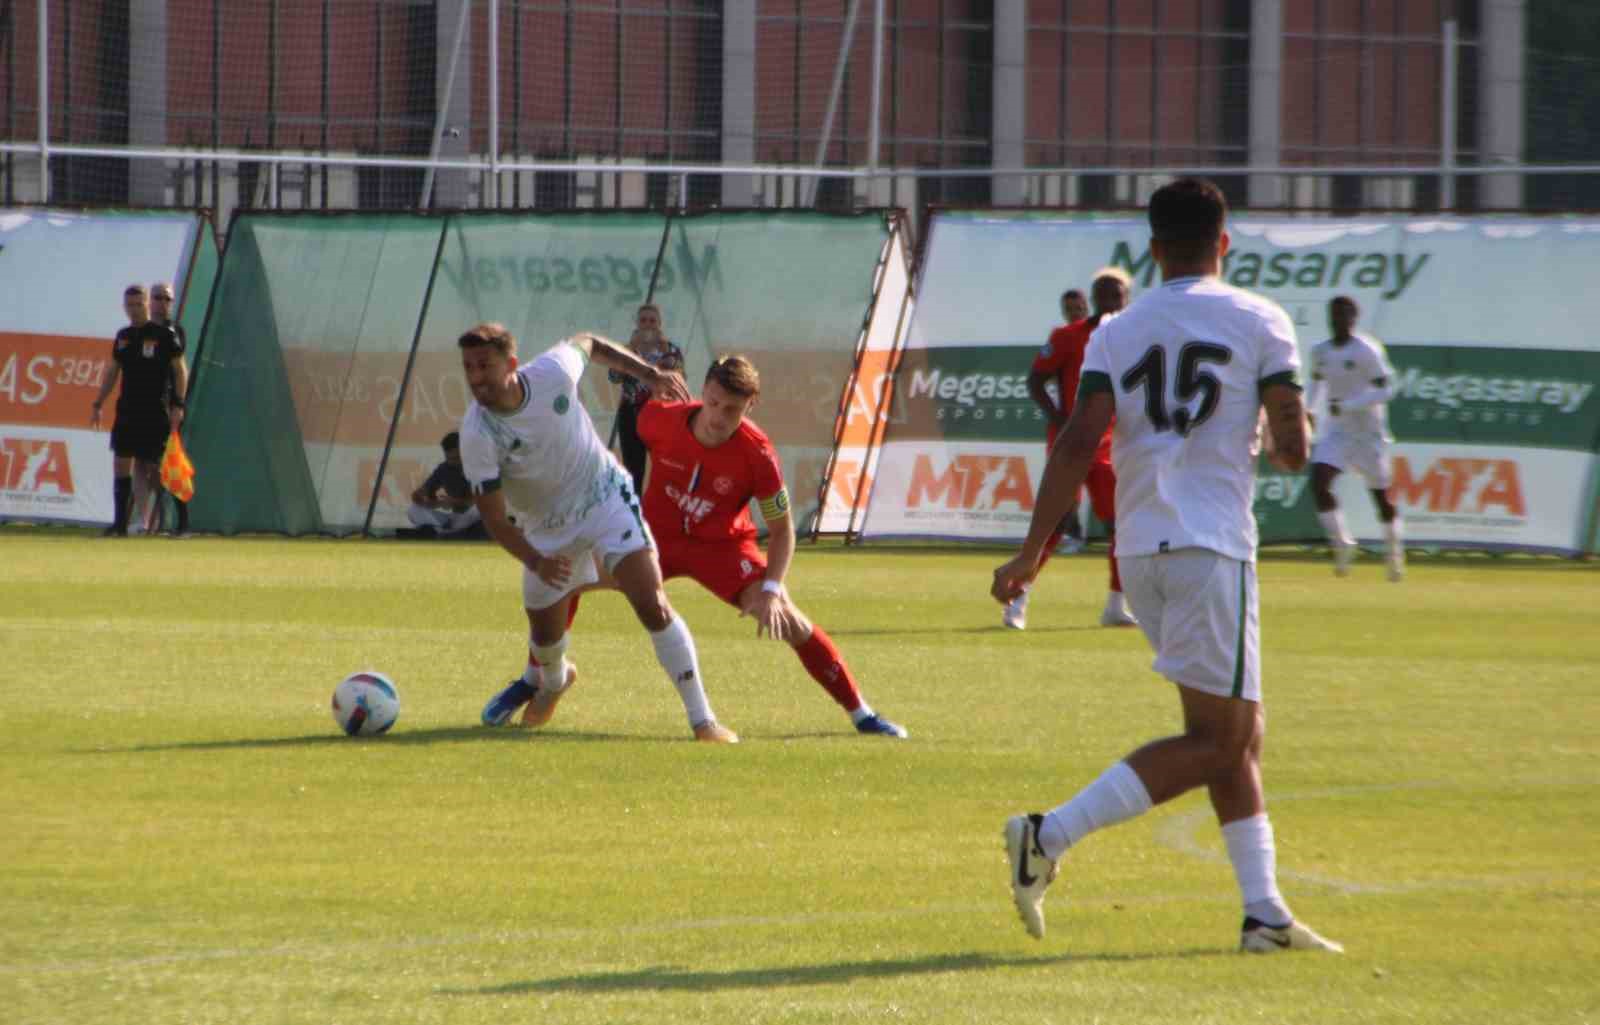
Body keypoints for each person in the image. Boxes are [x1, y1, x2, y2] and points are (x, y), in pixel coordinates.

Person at [992, 178, 1342, 955]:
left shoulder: (1118, 327)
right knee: (1222, 740)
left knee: (1237, 734)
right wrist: (1291, 432)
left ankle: (1265, 914)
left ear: (1151, 250)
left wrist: (1031, 550)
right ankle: (1047, 833)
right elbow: (1291, 443)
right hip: (1210, 544)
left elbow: (1079, 442)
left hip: (1140, 546)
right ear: (1226, 241)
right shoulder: (1260, 317)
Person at [457, 322, 737, 743]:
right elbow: (495, 518)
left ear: (512, 364)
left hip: (604, 498)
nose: (476, 377)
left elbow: (588, 342)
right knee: (546, 641)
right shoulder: (477, 433)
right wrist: (536, 559)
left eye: (485, 365)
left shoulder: (552, 371)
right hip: (545, 531)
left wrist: (648, 374)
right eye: (468, 367)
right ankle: (553, 681)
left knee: (651, 602)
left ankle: (704, 721)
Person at [634, 355, 907, 738]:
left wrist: (772, 590)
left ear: (750, 406)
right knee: (566, 575)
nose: (718, 416)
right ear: (703, 393)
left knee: (788, 620)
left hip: (721, 548)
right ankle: (537, 680)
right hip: (653, 539)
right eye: (712, 402)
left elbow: (782, 530)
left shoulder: (758, 454)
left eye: (732, 409)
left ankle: (862, 714)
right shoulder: (659, 418)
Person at [1012, 268, 1137, 630]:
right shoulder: (1069, 337)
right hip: (1073, 444)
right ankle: (1017, 598)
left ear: (1127, 298)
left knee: (1120, 526)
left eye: (1118, 296)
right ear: (1094, 299)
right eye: (1106, 296)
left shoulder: (1136, 336)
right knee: (1057, 522)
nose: (1112, 303)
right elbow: (1036, 380)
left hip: (1112, 448)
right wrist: (1059, 419)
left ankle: (1116, 604)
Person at [1306, 296, 1403, 581]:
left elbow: (1386, 390)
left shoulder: (1366, 350)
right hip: (1338, 432)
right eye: (1335, 314)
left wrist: (1349, 404)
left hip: (1368, 434)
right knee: (1319, 482)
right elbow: (1316, 380)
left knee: (1381, 499)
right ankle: (1342, 545)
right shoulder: (1320, 351)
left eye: (1346, 315)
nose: (1340, 320)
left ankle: (1394, 554)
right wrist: (1309, 409)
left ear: (1354, 318)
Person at [90, 284, 185, 537]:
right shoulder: (123, 336)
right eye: (129, 305)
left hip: (154, 410)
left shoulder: (163, 334)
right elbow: (112, 371)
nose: (133, 310)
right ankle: (120, 524)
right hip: (127, 410)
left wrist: (179, 403)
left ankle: (178, 521)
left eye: (138, 304)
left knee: (158, 468)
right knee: (121, 463)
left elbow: (179, 370)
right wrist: (98, 402)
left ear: (147, 305)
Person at [609, 303, 684, 494]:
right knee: (633, 470)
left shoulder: (671, 349)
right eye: (643, 320)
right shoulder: (625, 350)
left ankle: (662, 512)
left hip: (661, 415)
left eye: (652, 321)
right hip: (631, 414)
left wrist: (664, 347)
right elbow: (614, 377)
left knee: (666, 466)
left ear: (659, 324)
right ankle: (635, 515)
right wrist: (632, 347)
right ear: (637, 323)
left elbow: (678, 375)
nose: (648, 325)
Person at [148, 281, 193, 537]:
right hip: (143, 405)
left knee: (172, 463)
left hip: (165, 406)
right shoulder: (140, 330)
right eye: (158, 298)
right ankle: (152, 521)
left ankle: (183, 523)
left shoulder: (174, 331)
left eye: (167, 299)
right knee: (146, 466)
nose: (162, 303)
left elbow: (179, 371)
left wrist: (178, 403)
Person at [400, 431, 483, 539]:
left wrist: (453, 502)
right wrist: (425, 500)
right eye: (449, 458)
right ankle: (443, 531)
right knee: (413, 510)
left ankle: (445, 532)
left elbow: (475, 500)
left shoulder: (476, 467)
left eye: (456, 458)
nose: (452, 462)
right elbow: (418, 494)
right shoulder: (443, 468)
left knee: (479, 510)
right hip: (453, 519)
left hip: (470, 515)